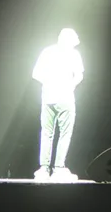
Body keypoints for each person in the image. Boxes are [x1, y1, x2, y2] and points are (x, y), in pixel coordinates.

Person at [32, 28, 84, 182]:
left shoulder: (47, 52)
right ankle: (59, 168)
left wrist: (49, 83)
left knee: (47, 133)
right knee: (65, 133)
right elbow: (80, 75)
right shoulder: (74, 54)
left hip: (48, 97)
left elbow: (35, 74)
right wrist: (70, 85)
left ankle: (43, 168)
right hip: (65, 97)